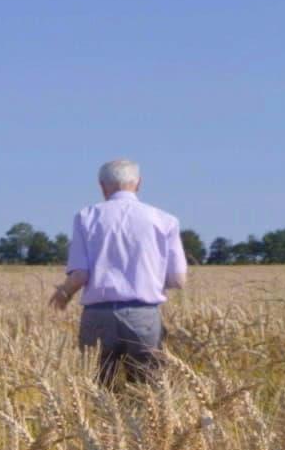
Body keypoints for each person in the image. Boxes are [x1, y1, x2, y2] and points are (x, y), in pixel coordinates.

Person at [49, 159, 188, 386]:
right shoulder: (165, 220)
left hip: (97, 316)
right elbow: (178, 280)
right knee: (148, 392)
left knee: (100, 390)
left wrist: (63, 294)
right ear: (138, 183)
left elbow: (80, 275)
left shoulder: (86, 217)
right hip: (144, 316)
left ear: (102, 186)